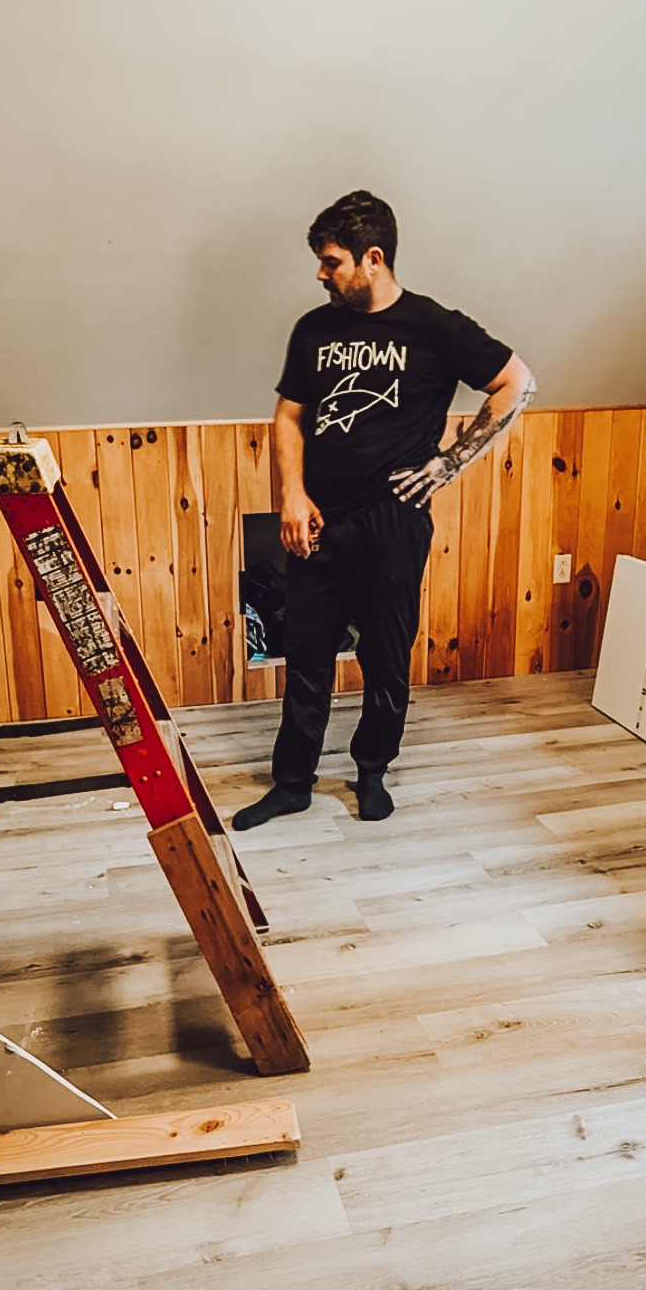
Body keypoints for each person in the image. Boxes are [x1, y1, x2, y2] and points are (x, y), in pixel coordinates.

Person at [233, 190, 535, 829]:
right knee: (307, 655)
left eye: (332, 261)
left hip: (395, 525)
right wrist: (291, 494)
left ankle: (372, 772)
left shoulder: (432, 326)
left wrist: (451, 460)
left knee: (386, 657)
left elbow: (518, 381)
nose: (321, 274)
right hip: (319, 523)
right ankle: (292, 783)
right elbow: (289, 416)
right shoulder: (312, 329)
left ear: (374, 258)